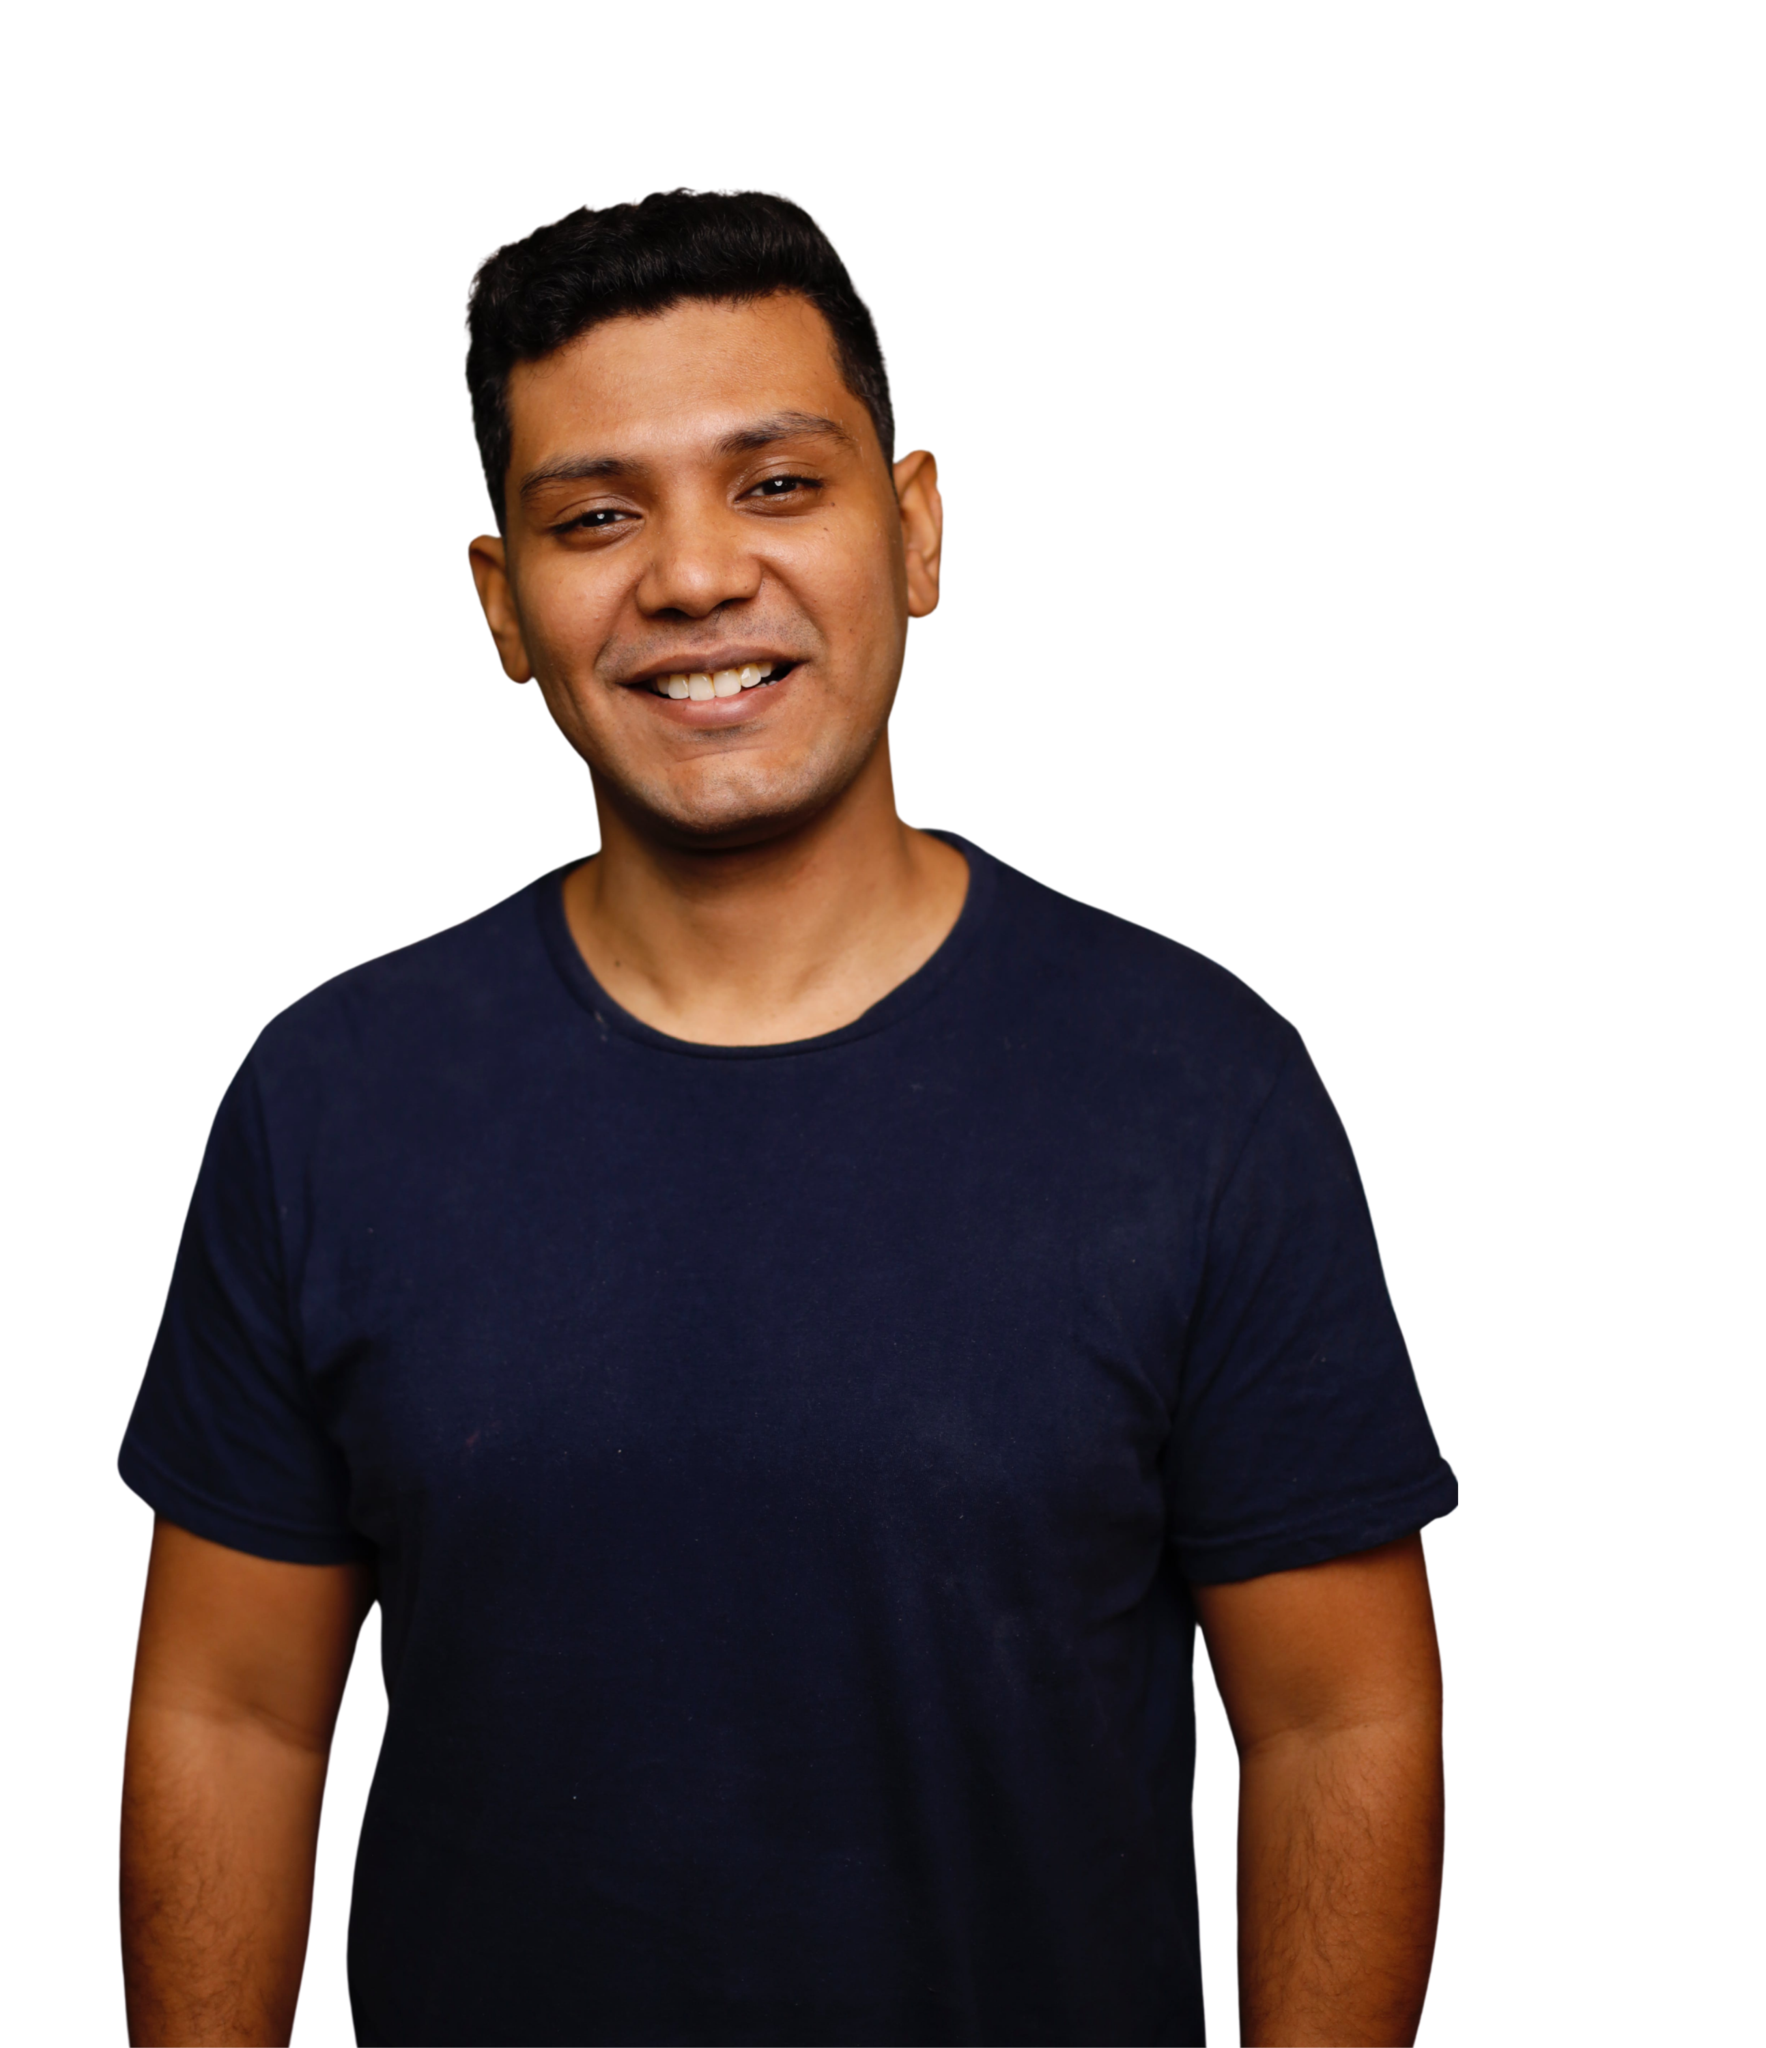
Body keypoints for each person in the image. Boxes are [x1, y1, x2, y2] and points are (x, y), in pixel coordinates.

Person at [118, 189, 1456, 2047]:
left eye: (774, 485)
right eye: (598, 517)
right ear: (506, 605)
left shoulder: (1198, 1091)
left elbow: (1338, 1716)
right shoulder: (332, 1102)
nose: (690, 578)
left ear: (912, 530)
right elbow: (232, 1714)